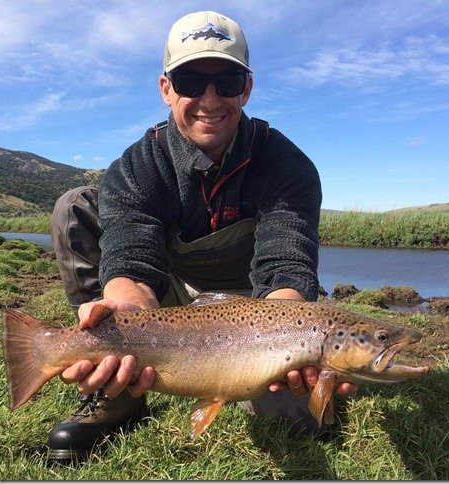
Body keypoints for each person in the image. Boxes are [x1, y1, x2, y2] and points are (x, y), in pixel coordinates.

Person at [48, 10, 356, 462]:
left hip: (254, 306)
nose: (210, 99)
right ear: (166, 88)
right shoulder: (138, 165)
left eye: (227, 81)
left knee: (302, 419)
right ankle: (120, 388)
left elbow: (285, 264)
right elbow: (132, 257)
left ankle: (262, 377)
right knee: (74, 205)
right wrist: (125, 308)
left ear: (247, 88)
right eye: (191, 80)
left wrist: (290, 341)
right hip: (163, 300)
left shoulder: (288, 166)